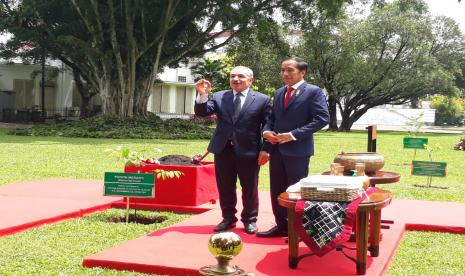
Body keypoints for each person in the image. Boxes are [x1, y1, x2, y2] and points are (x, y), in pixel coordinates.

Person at [256, 56, 330, 238]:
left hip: (298, 151)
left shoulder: (313, 92)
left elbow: (322, 119)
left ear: (302, 72)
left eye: (290, 70)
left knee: (296, 190)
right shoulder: (280, 92)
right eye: (282, 70)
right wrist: (266, 132)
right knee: (277, 189)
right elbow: (272, 119)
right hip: (277, 150)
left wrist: (293, 135)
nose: (285, 73)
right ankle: (281, 225)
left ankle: (298, 230)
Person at [194, 66, 272, 234]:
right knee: (225, 187)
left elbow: (268, 126)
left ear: (250, 80)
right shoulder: (220, 96)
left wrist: (266, 149)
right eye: (232, 76)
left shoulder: (262, 99)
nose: (236, 79)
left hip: (249, 151)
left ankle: (250, 220)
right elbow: (202, 112)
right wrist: (202, 94)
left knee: (249, 188)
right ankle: (228, 219)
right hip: (223, 150)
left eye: (240, 76)